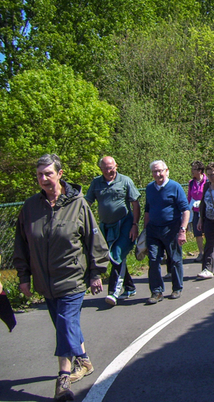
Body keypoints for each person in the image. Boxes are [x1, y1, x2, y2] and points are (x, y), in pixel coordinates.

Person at [14, 154, 109, 400]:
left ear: (60, 174)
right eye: (39, 175)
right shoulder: (30, 207)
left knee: (66, 324)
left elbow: (94, 240)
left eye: (48, 173)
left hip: (73, 277)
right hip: (46, 282)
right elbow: (21, 246)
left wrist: (96, 272)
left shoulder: (78, 204)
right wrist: (24, 277)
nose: (44, 179)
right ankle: (85, 362)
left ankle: (63, 381)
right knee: (65, 326)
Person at [85, 156, 140, 307]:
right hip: (107, 226)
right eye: (105, 168)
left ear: (116, 166)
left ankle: (113, 292)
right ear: (101, 169)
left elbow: (135, 204)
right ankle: (129, 287)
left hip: (125, 224)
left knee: (116, 254)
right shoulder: (96, 183)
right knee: (116, 256)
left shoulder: (125, 181)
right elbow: (87, 203)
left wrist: (135, 225)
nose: (109, 171)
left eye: (111, 167)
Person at [144, 160, 190, 304]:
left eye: (160, 171)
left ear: (166, 171)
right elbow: (147, 210)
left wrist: (182, 230)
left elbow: (185, 210)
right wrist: (145, 231)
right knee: (153, 260)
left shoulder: (175, 187)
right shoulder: (150, 188)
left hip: (171, 229)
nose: (158, 174)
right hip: (153, 230)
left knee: (175, 259)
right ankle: (156, 291)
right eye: (154, 171)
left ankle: (177, 287)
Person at [187, 161, 209, 263]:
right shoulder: (191, 183)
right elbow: (189, 196)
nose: (192, 171)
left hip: (206, 209)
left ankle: (213, 246)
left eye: (194, 169)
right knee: (197, 232)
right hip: (195, 210)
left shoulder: (207, 181)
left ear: (200, 171)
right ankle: (201, 252)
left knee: (208, 231)